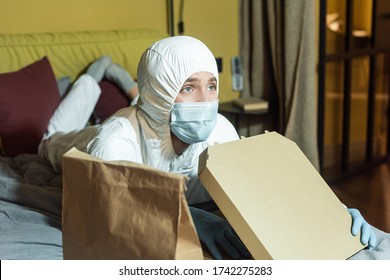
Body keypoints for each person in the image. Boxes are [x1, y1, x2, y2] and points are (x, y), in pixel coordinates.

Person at [39, 36, 377, 259]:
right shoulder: (113, 142)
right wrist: (199, 221)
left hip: (148, 107)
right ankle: (101, 70)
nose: (205, 101)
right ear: (162, 93)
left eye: (211, 85)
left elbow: (265, 190)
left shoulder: (220, 130)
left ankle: (127, 85)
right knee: (52, 136)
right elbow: (113, 216)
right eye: (188, 88)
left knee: (145, 107)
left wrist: (328, 214)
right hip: (73, 139)